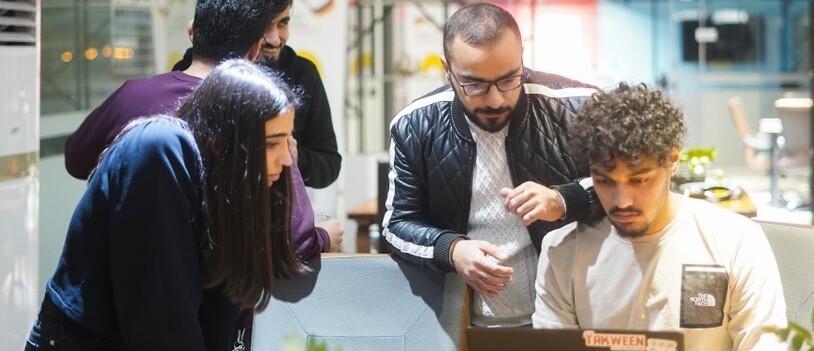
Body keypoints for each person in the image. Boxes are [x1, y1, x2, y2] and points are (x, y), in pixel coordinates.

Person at [27, 60, 303, 350]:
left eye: (288, 141)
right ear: (224, 140)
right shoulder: (158, 150)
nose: (286, 159)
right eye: (272, 143)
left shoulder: (228, 181)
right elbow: (160, 317)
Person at [63, 0, 342, 257]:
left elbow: (76, 159)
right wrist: (323, 237)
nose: (276, 38)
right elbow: (298, 241)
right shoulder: (253, 114)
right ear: (255, 48)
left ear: (192, 32)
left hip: (118, 269)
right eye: (273, 145)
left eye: (283, 23)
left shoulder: (131, 96)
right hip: (214, 286)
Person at [382, 3, 602, 327]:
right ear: (448, 71)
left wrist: (563, 200)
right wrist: (452, 249)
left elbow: (628, 188)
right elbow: (398, 224)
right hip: (462, 321)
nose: (495, 99)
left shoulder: (578, 107)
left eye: (509, 79)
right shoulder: (415, 125)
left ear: (522, 57)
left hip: (570, 315)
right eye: (474, 84)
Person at [532, 83, 787, 350]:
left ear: (672, 159)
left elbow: (765, 343)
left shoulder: (736, 241)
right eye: (605, 181)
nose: (622, 201)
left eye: (640, 180)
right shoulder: (562, 252)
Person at [174, 0, 341, 189]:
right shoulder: (194, 71)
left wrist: (294, 155)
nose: (275, 39)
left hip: (275, 213)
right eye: (263, 26)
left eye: (283, 23)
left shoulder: (303, 73)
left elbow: (329, 165)